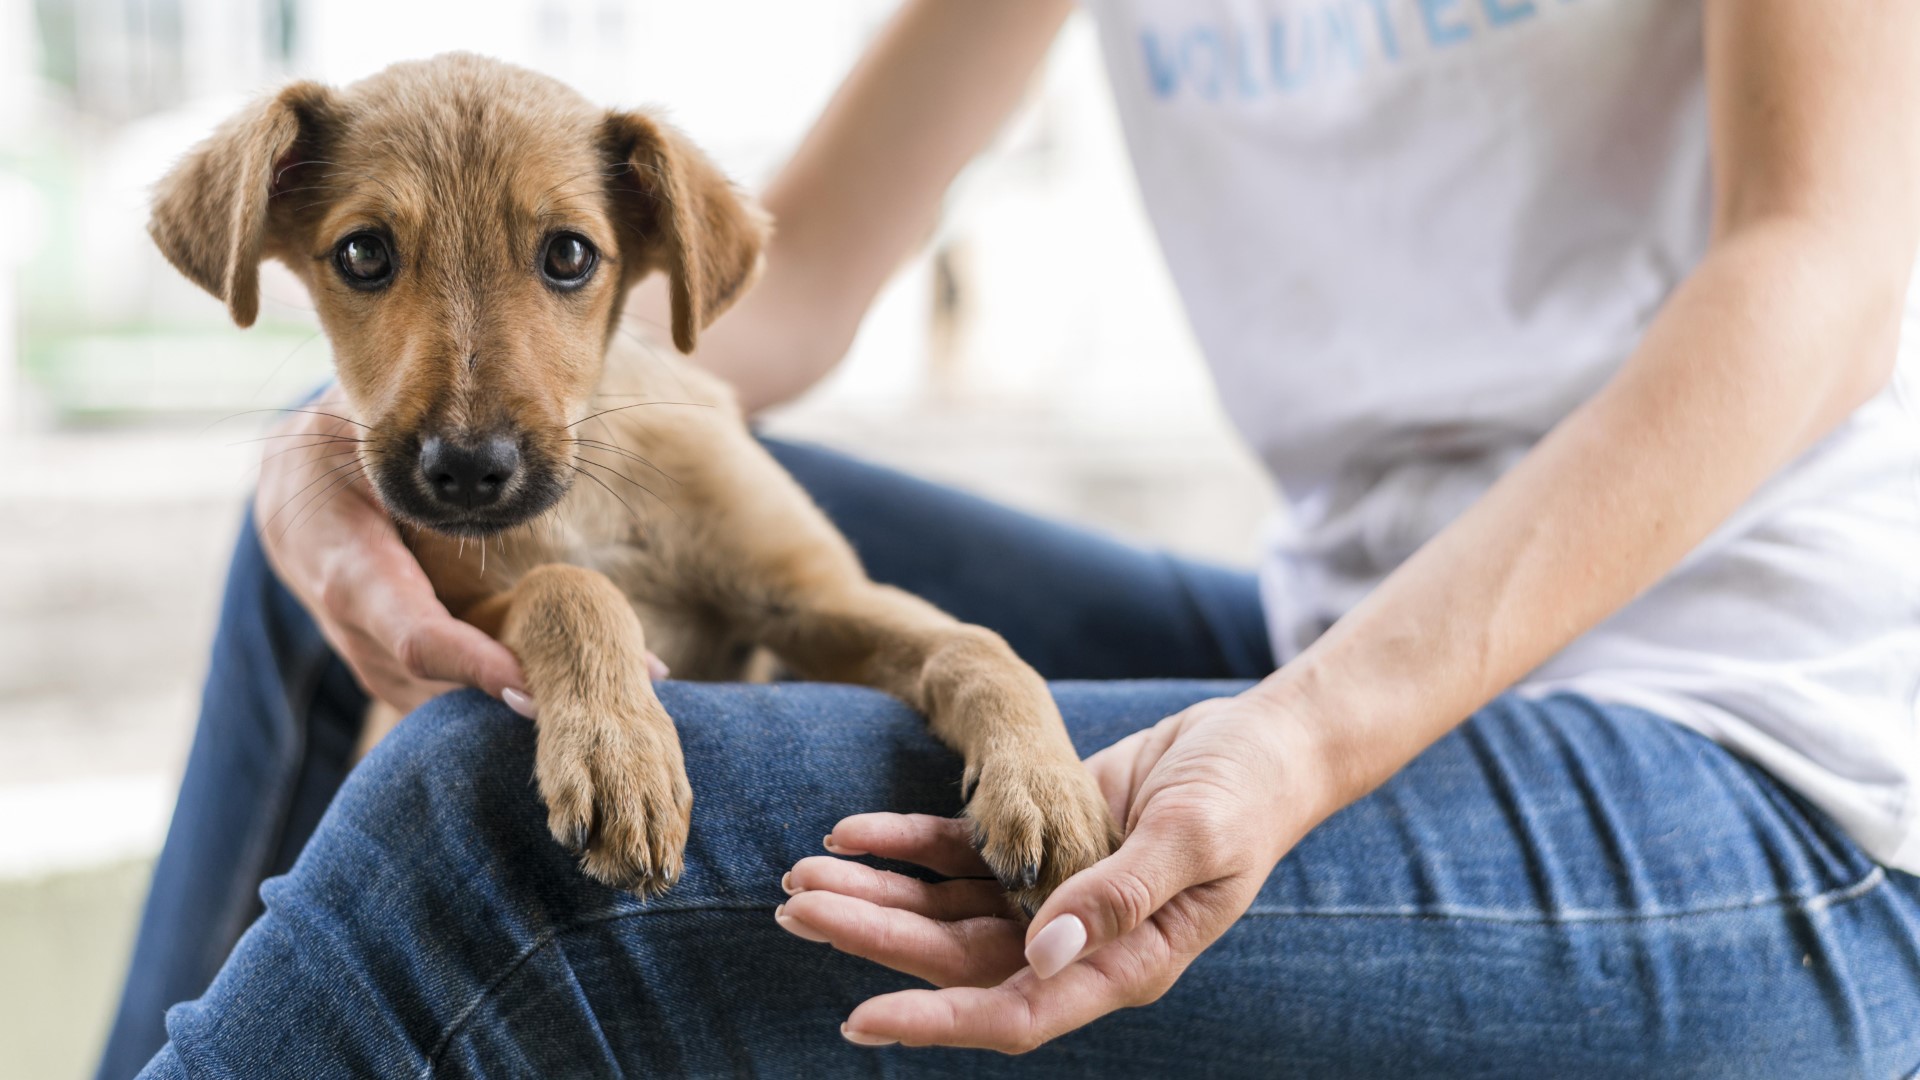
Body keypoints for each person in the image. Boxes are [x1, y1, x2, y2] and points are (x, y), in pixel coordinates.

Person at [100, 1, 1920, 1076]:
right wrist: (343, 444)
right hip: (1330, 612)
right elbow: (777, 287)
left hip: (1766, 743)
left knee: (485, 823)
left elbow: (1821, 277)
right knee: (337, 569)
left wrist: (1303, 737)